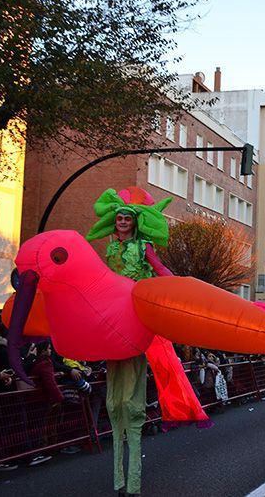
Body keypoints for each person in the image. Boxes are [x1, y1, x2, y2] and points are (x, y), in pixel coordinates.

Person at [85, 186, 208, 497]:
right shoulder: (111, 250)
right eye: (120, 218)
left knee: (131, 402)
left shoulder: (144, 248)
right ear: (114, 222)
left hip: (137, 316)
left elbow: (161, 270)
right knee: (114, 402)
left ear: (135, 222)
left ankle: (134, 483)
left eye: (127, 217)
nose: (123, 221)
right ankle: (119, 481)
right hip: (114, 318)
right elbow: (101, 278)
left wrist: (179, 288)